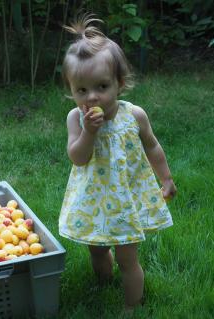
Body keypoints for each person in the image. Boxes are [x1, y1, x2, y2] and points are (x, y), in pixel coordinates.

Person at [58, 14, 177, 313]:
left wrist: (165, 178)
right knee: (96, 250)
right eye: (81, 90)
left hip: (125, 200)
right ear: (71, 90)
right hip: (93, 198)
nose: (92, 97)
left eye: (101, 86)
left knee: (128, 259)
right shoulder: (76, 118)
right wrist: (89, 132)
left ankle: (131, 305)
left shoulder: (133, 115)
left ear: (119, 84)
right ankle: (102, 283)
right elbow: (78, 157)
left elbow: (153, 146)